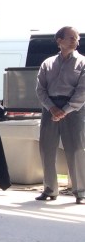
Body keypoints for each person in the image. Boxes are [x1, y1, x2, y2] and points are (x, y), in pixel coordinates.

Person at [35, 26, 85, 203]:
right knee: (46, 149)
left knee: (76, 150)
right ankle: (49, 190)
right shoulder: (47, 63)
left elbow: (82, 91)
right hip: (50, 109)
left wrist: (65, 110)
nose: (75, 41)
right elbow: (40, 89)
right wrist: (51, 108)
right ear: (59, 41)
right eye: (71, 37)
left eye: (76, 38)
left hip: (74, 110)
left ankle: (80, 192)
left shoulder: (82, 62)